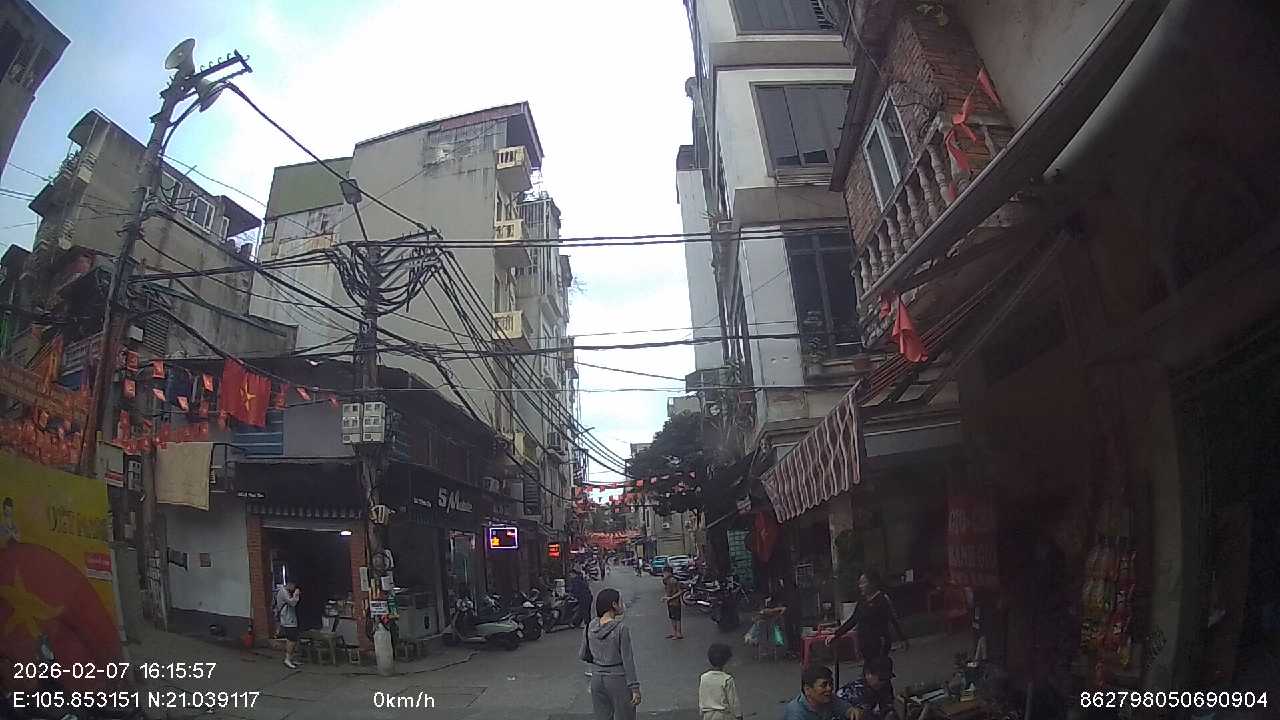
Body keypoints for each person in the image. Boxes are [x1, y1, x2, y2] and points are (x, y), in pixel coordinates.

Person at [580, 588, 641, 720]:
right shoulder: (621, 629)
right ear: (614, 604)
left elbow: (583, 654)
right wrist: (635, 688)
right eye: (620, 602)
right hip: (617, 679)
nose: (622, 605)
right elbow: (628, 660)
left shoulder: (590, 626)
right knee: (626, 716)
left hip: (597, 679)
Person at [827, 571, 908, 660]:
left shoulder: (882, 599)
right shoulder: (862, 601)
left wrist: (902, 638)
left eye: (863, 583)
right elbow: (853, 620)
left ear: (872, 583)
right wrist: (836, 634)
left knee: (878, 665)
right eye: (859, 583)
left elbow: (893, 619)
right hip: (865, 643)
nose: (860, 586)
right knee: (869, 666)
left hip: (879, 643)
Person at [781, 665, 857, 720]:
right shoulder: (796, 713)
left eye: (830, 684)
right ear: (807, 689)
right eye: (823, 685)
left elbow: (848, 710)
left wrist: (853, 712)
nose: (829, 688)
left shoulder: (829, 698)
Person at [836, 655, 898, 720]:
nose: (884, 682)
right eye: (881, 678)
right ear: (868, 674)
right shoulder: (851, 692)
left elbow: (888, 708)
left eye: (887, 678)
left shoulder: (885, 687)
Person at [700, 643, 742, 720]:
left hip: (708, 715)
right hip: (723, 715)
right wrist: (738, 716)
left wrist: (702, 712)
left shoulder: (703, 678)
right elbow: (733, 702)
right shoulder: (727, 679)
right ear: (726, 662)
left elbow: (702, 697)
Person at [274, 582, 301, 668]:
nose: (294, 588)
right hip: (288, 620)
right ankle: (287, 659)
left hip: (291, 619)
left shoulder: (287, 591)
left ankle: (291, 658)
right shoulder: (283, 592)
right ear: (290, 584)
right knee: (291, 639)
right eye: (294, 586)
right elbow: (292, 603)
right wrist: (296, 594)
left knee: (294, 639)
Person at [662, 566, 684, 639]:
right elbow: (668, 592)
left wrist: (671, 597)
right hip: (670, 602)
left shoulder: (673, 581)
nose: (663, 574)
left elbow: (680, 591)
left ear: (668, 573)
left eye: (664, 573)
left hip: (675, 602)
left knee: (677, 618)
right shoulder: (667, 581)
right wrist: (665, 597)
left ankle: (678, 633)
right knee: (672, 617)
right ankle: (674, 632)